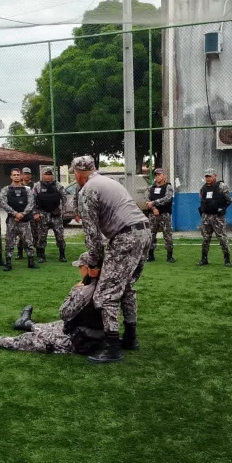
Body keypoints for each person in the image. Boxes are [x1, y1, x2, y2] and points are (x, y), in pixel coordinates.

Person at [73, 155, 151, 363]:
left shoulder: (88, 190)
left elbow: (92, 235)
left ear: (77, 174)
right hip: (144, 232)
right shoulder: (109, 181)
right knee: (126, 287)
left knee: (106, 294)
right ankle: (130, 338)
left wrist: (93, 259)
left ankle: (112, 347)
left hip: (125, 236)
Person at [0, 252, 104, 355]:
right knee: (52, 326)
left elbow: (64, 313)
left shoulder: (84, 291)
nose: (79, 270)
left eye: (80, 267)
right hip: (94, 333)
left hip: (80, 340)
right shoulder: (106, 285)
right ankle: (25, 323)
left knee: (28, 340)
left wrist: (75, 289)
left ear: (87, 269)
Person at [0, 167, 38, 271]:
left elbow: (31, 203)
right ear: (11, 176)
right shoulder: (6, 190)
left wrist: (23, 214)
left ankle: (31, 261)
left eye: (18, 175)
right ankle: (8, 263)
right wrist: (15, 214)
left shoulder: (27, 190)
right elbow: (3, 203)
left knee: (28, 241)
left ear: (21, 176)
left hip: (24, 220)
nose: (16, 176)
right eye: (14, 175)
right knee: (9, 242)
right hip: (12, 220)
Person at [197, 168, 232, 267]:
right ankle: (204, 259)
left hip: (218, 217)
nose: (208, 178)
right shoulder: (203, 188)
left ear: (215, 176)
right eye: (206, 176)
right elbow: (202, 200)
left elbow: (229, 200)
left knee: (222, 238)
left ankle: (227, 260)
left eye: (210, 176)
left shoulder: (221, 186)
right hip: (206, 217)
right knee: (205, 239)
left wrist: (222, 208)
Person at [32, 165, 67, 263]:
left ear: (52, 176)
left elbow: (64, 199)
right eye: (46, 174)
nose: (48, 176)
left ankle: (62, 254)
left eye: (50, 174)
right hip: (43, 215)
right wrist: (35, 213)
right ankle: (42, 255)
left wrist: (62, 212)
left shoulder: (58, 185)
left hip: (55, 215)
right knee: (41, 237)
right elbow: (33, 200)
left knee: (60, 236)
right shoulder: (37, 186)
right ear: (42, 175)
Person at [146, 168, 176, 263]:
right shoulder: (151, 187)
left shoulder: (168, 187)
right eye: (156, 175)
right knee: (151, 235)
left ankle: (169, 256)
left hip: (165, 215)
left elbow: (167, 198)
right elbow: (146, 199)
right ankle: (150, 255)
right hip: (153, 215)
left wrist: (154, 203)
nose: (157, 177)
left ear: (164, 176)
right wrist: (153, 209)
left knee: (167, 235)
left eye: (159, 175)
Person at [18, 166, 35, 259]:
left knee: (33, 233)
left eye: (28, 174)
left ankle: (32, 252)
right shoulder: (18, 185)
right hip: (20, 213)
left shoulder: (34, 185)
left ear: (30, 175)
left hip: (31, 213)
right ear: (22, 175)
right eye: (25, 174)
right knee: (21, 234)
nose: (26, 176)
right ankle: (20, 252)